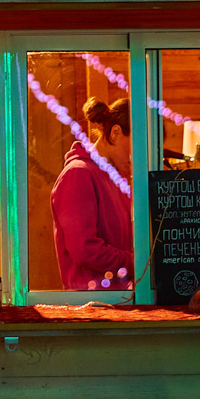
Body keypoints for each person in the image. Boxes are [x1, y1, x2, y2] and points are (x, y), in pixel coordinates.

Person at [50, 97, 134, 290]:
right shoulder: (78, 174)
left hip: (116, 302)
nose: (140, 157)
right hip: (91, 305)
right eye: (137, 147)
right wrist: (137, 263)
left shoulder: (116, 178)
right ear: (115, 133)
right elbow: (85, 250)